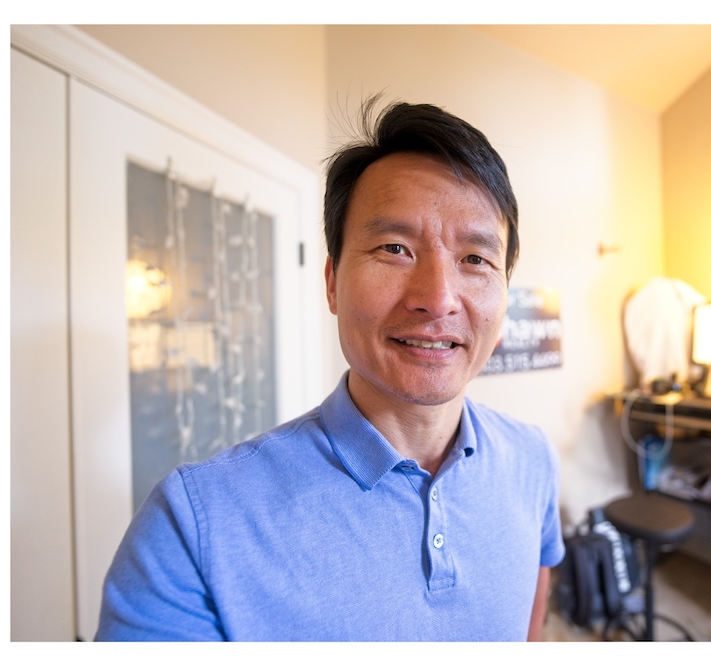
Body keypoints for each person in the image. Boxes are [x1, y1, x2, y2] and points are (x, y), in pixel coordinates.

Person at [94, 97, 566, 641]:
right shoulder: (193, 529)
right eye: (395, 248)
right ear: (333, 282)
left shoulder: (533, 458)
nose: (438, 299)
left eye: (476, 259)